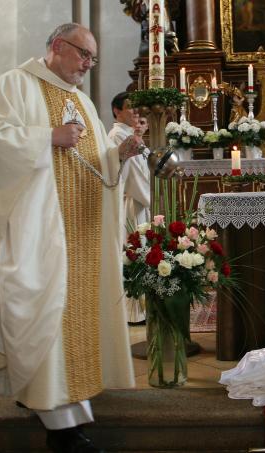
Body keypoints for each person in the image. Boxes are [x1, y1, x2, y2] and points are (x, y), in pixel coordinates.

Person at [0, 23, 141, 453]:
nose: (88, 65)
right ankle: (60, 427)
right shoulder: (15, 85)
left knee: (70, 323)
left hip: (80, 235)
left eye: (93, 59)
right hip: (39, 236)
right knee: (39, 316)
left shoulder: (81, 101)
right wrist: (48, 138)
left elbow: (95, 166)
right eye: (84, 54)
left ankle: (56, 405)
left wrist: (119, 154)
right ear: (58, 46)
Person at [108, 92, 150, 324]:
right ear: (116, 111)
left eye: (137, 108)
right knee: (134, 252)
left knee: (141, 250)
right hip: (132, 202)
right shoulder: (117, 135)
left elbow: (142, 165)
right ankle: (134, 312)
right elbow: (134, 176)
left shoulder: (130, 134)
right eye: (130, 108)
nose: (136, 112)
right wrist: (153, 194)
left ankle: (140, 308)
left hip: (138, 200)